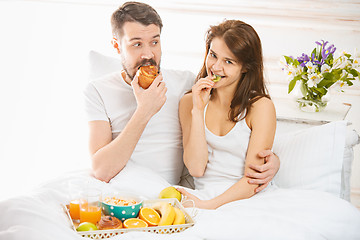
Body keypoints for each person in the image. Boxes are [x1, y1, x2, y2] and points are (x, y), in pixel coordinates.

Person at [84, 2, 279, 190]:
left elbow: (232, 116)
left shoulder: (186, 84)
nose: (147, 54)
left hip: (167, 196)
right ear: (117, 46)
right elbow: (101, 170)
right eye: (136, 44)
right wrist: (144, 111)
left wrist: (274, 162)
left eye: (154, 42)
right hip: (119, 192)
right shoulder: (97, 91)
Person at [177, 19, 277, 209]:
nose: (215, 67)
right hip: (204, 196)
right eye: (213, 55)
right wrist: (198, 111)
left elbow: (253, 180)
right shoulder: (189, 101)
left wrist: (208, 206)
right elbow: (196, 169)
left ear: (245, 67)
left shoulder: (260, 107)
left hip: (247, 199)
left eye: (228, 61)